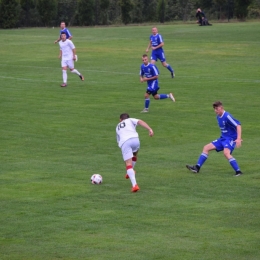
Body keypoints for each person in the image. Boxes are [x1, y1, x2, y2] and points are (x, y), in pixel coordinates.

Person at [186, 101, 243, 176]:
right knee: (206, 148)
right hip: (223, 138)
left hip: (230, 139)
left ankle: (238, 172)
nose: (215, 110)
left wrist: (238, 138)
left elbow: (238, 125)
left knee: (226, 153)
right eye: (214, 109)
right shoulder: (218, 117)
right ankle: (197, 168)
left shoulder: (227, 116)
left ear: (221, 108)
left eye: (217, 108)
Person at [116, 113, 154, 192]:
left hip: (125, 142)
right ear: (127, 118)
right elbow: (140, 121)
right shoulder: (130, 120)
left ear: (120, 120)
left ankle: (134, 185)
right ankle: (130, 171)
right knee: (135, 154)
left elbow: (118, 141)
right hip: (135, 139)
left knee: (128, 163)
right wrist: (149, 129)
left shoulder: (117, 127)